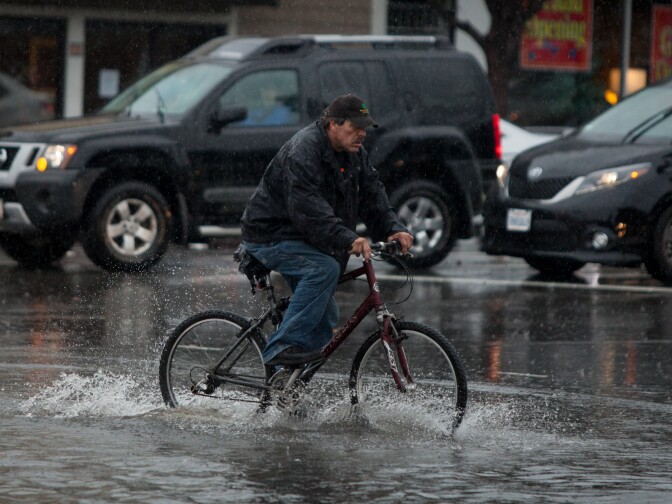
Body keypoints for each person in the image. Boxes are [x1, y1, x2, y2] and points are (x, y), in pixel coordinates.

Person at [240, 94, 414, 366]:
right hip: (270, 234)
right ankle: (280, 348)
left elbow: (372, 194)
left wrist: (393, 228)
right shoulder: (304, 149)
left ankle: (287, 385)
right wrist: (348, 238)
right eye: (354, 128)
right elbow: (307, 208)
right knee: (323, 269)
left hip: (304, 235)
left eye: (364, 129)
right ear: (333, 124)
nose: (361, 134)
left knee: (324, 318)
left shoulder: (353, 153)